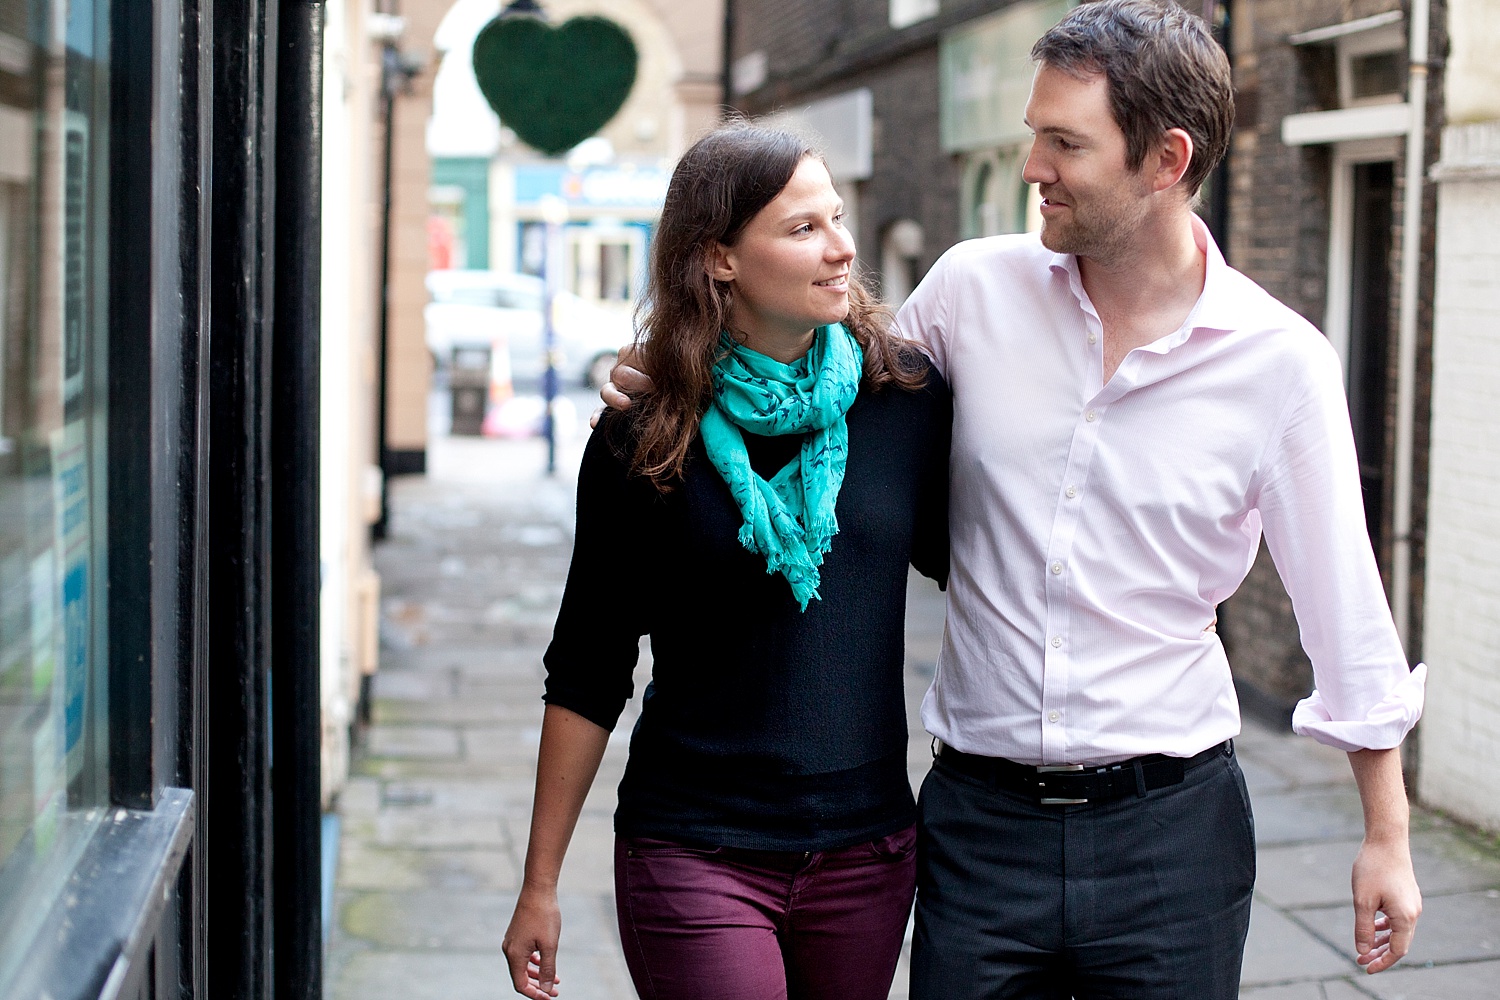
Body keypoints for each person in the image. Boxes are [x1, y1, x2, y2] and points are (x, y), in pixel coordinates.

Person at [603, 3, 1425, 996]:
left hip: (1172, 834)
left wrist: (1386, 835)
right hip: (978, 831)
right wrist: (673, 367)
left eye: (1063, 142)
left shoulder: (1281, 364)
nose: (1032, 164)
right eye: (1034, 133)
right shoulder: (968, 292)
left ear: (1165, 160)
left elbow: (1347, 609)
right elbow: (822, 394)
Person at [501, 123, 952, 1000]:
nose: (842, 246)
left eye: (837, 217)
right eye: (801, 228)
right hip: (693, 847)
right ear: (718, 258)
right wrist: (541, 882)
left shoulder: (906, 400)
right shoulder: (644, 436)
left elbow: (979, 561)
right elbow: (588, 669)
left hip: (868, 850)